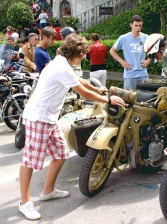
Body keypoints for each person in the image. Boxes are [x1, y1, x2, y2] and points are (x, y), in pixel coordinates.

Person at [18, 33, 125, 220]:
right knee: (30, 161)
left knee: (60, 155)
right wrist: (108, 99)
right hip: (38, 117)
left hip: (49, 118)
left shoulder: (62, 62)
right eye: (83, 54)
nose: (84, 57)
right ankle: (24, 203)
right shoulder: (61, 67)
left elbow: (81, 82)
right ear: (75, 53)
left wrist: (97, 88)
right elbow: (83, 92)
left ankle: (48, 191)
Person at [110, 15, 151, 90]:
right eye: (136, 25)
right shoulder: (123, 38)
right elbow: (112, 51)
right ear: (131, 25)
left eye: (140, 26)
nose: (138, 28)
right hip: (129, 75)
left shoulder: (146, 37)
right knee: (129, 99)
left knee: (146, 98)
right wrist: (121, 61)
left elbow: (154, 51)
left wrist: (148, 60)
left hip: (143, 74)